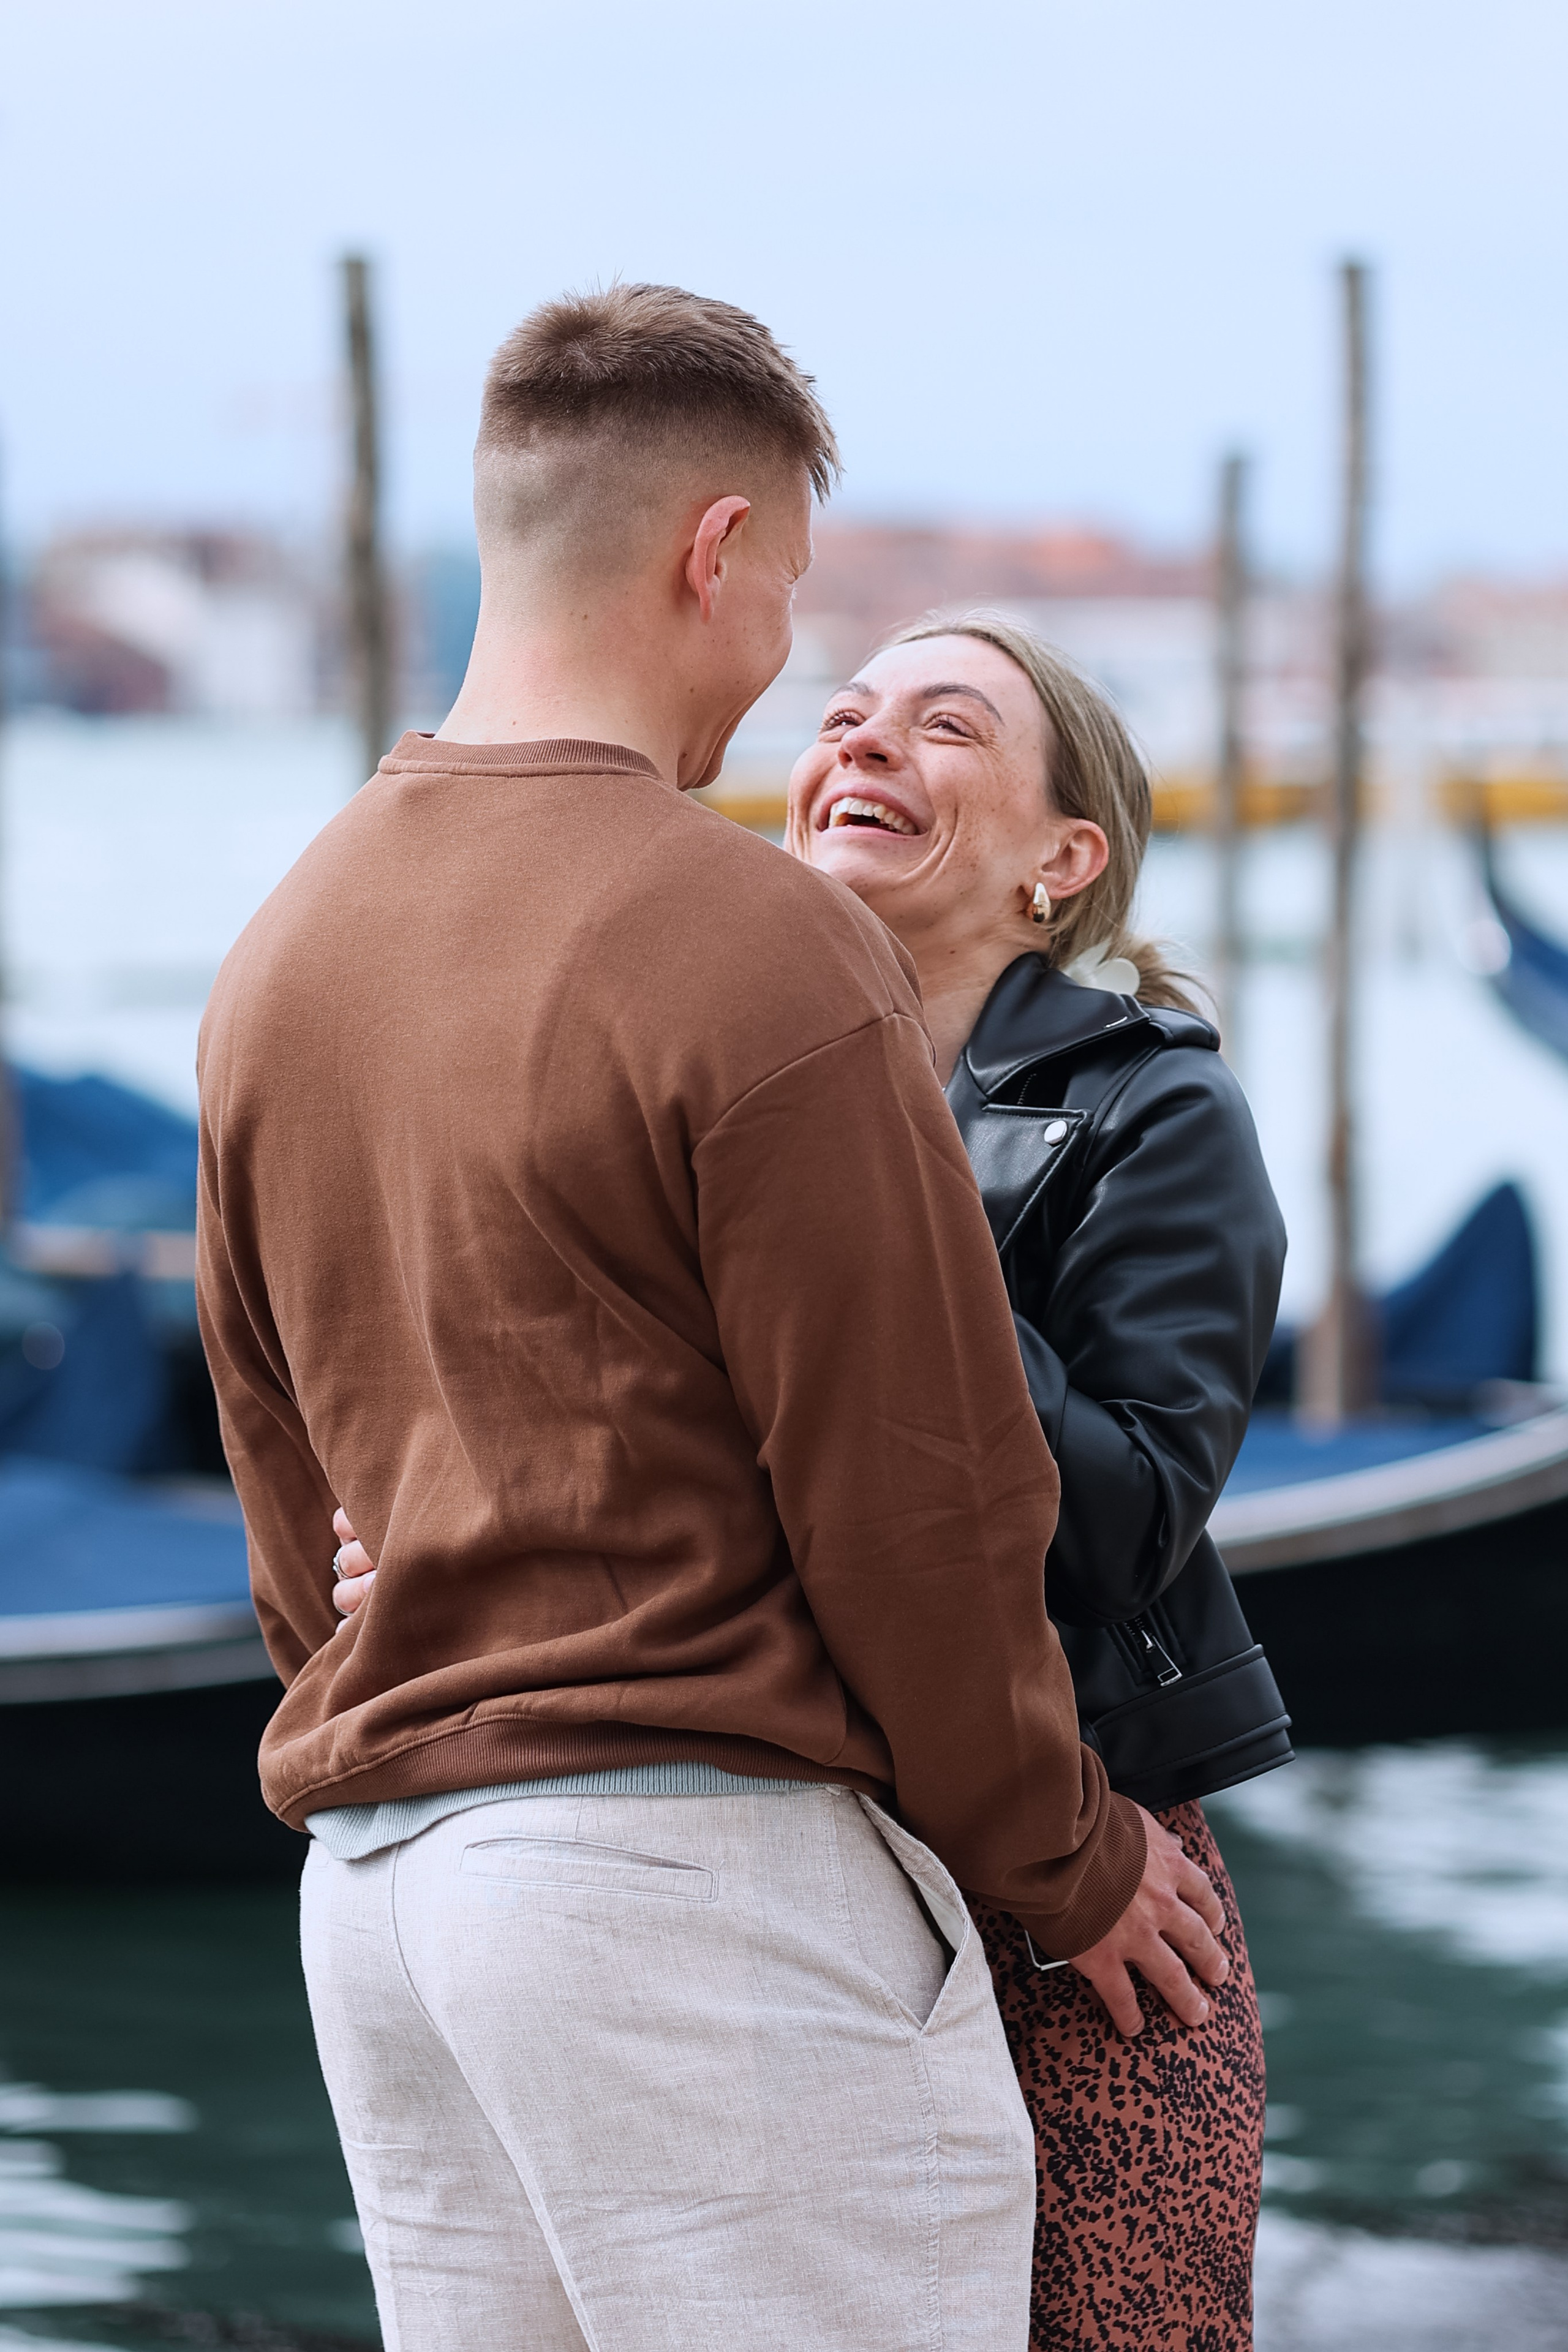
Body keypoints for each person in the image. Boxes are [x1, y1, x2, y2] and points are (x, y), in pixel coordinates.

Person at [196, 287, 1228, 2352]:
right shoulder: (751, 935)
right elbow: (919, 1502)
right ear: (716, 551)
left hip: (390, 1900)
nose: (787, 669)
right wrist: (1065, 1853)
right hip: (687, 1913)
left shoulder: (280, 947)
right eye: (795, 600)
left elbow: (281, 1482)